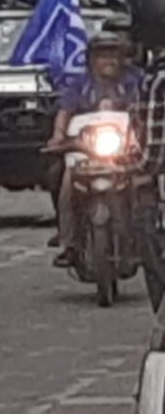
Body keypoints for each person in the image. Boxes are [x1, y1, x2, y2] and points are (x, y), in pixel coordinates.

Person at [46, 28, 145, 267]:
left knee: (147, 184)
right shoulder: (80, 84)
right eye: (102, 55)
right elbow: (65, 112)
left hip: (128, 150)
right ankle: (69, 242)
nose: (108, 61)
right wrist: (58, 136)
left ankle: (147, 236)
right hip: (85, 152)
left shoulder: (136, 80)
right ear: (91, 60)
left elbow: (149, 109)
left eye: (114, 55)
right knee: (62, 182)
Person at [131, 0, 165, 309]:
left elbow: (153, 153)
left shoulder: (155, 82)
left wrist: (136, 171)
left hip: (159, 193)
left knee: (154, 257)